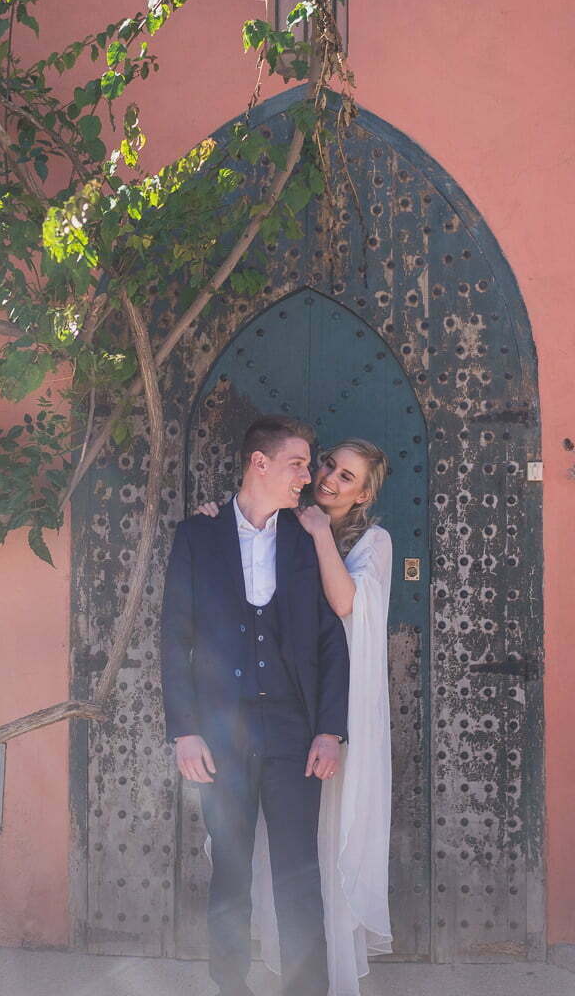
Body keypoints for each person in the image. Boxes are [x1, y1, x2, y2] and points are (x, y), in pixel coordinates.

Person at [161, 415, 351, 996]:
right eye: (298, 462)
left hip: (294, 728)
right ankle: (230, 986)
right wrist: (184, 730)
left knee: (299, 871)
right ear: (258, 464)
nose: (308, 475)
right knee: (230, 871)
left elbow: (329, 640)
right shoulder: (197, 535)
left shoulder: (306, 538)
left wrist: (330, 729)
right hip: (221, 729)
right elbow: (175, 635)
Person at [197, 437, 393, 996]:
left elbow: (344, 603)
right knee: (281, 852)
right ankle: (279, 971)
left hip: (344, 700)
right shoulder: (280, 524)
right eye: (328, 464)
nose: (329, 478)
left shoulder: (369, 540)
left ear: (362, 495)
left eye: (346, 477)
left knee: (326, 843)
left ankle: (322, 980)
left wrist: (317, 533)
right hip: (289, 705)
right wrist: (219, 519)